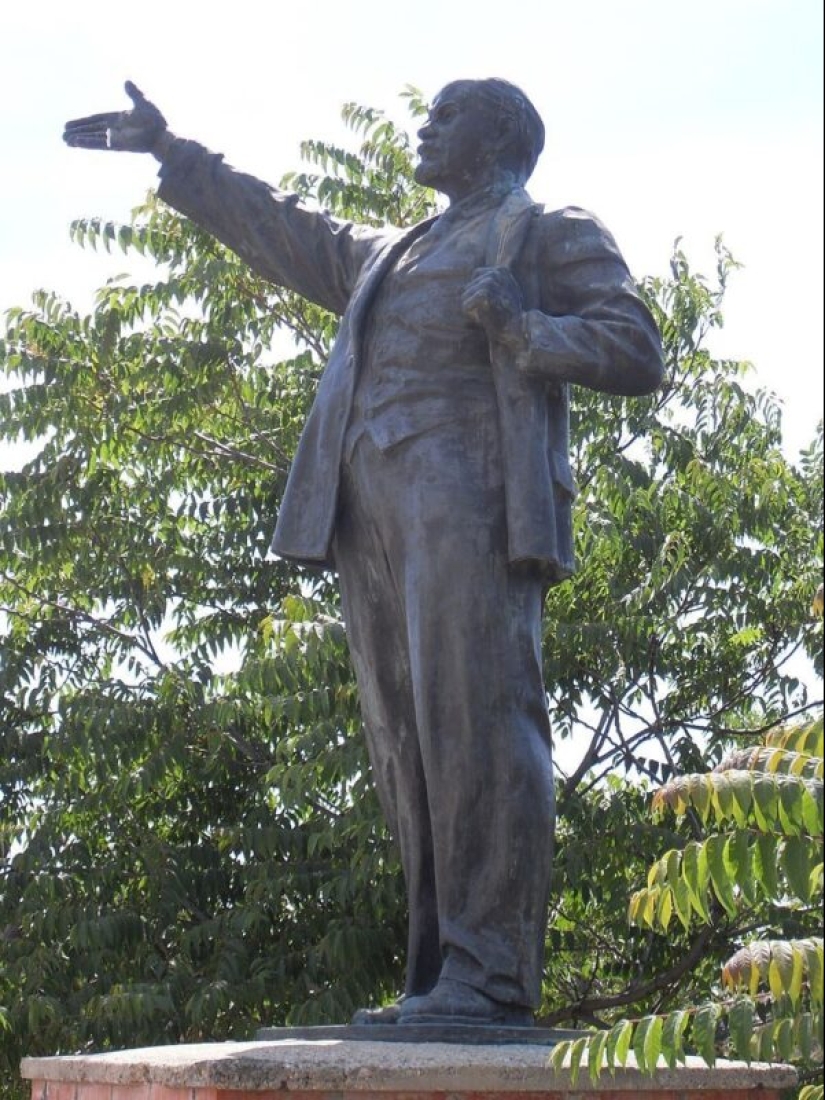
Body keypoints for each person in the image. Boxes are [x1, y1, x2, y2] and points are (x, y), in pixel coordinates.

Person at [64, 79, 664, 1028]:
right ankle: (441, 975)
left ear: (500, 133)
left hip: (469, 494)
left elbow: (635, 346)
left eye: (448, 113)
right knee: (406, 744)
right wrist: (176, 157)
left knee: (477, 721)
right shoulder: (393, 250)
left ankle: (492, 974)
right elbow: (286, 226)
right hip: (368, 504)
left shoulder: (542, 228)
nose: (426, 127)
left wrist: (525, 328)